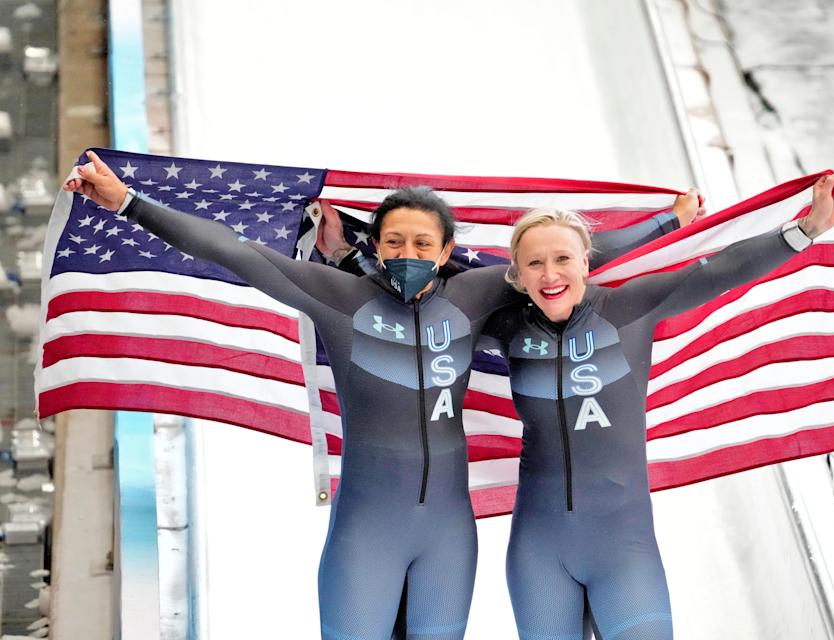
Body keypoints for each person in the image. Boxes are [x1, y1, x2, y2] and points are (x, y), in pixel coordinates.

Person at [63, 149, 700, 639]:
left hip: (448, 536)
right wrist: (128, 203)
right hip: (366, 534)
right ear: (375, 247)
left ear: (448, 251)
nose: (408, 253)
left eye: (423, 243)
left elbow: (567, 254)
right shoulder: (340, 298)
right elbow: (235, 252)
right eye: (394, 242)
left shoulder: (481, 292)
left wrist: (665, 222)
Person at [479, 173, 834, 640]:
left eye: (562, 259)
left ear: (587, 264)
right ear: (516, 274)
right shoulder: (503, 327)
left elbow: (719, 271)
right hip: (539, 556)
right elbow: (425, 294)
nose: (550, 274)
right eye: (534, 263)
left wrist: (805, 230)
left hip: (624, 553)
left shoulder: (629, 307)